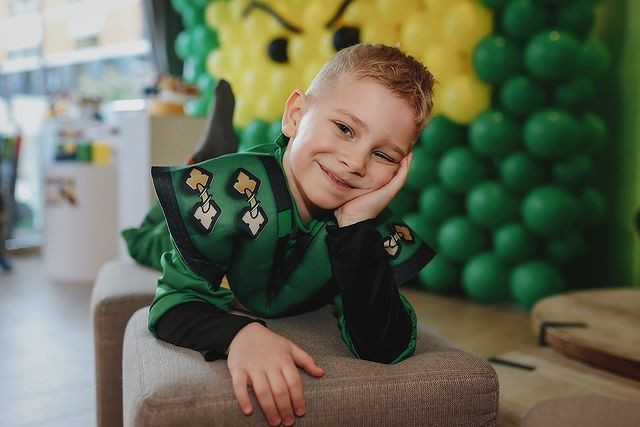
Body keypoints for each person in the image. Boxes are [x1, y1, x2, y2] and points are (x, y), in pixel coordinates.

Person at [145, 43, 435, 427]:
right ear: (295, 115)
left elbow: (385, 346)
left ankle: (211, 155)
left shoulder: (368, 228)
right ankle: (204, 160)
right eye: (344, 128)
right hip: (235, 191)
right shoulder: (229, 198)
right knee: (147, 240)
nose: (355, 163)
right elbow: (170, 304)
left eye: (384, 155)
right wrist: (238, 334)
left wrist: (355, 227)